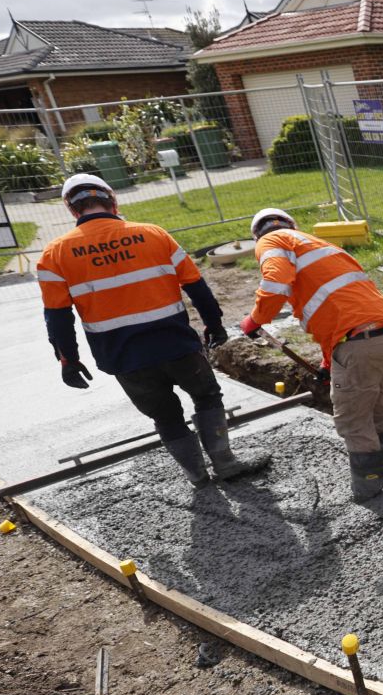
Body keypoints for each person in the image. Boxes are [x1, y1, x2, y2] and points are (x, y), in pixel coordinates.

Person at [36, 174, 270, 486]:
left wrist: (68, 359)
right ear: (113, 200)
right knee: (207, 396)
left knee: (165, 416)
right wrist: (214, 325)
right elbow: (197, 287)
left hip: (124, 357)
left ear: (71, 209)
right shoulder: (153, 234)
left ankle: (197, 476)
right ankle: (225, 463)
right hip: (176, 345)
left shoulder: (55, 254)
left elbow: (57, 316)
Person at [238, 208, 383, 502]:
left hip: (356, 343)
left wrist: (256, 319)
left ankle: (368, 492)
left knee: (352, 420)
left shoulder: (272, 241)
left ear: (256, 235)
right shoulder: (319, 245)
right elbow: (340, 308)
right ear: (293, 224)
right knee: (379, 406)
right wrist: (330, 360)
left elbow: (276, 282)